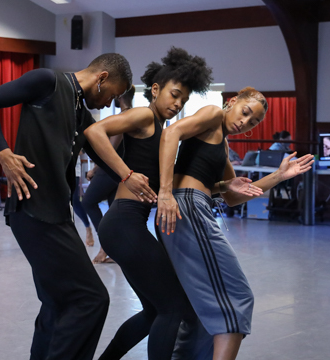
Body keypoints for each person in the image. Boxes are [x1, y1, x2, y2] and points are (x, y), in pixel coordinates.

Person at [0, 54, 132, 360]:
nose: (108, 102)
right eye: (112, 94)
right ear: (101, 78)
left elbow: (105, 161)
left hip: (55, 213)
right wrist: (4, 153)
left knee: (57, 302)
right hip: (35, 211)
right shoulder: (47, 81)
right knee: (91, 299)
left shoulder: (80, 111)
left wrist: (143, 177)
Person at [157, 87, 315, 360]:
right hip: (189, 208)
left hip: (195, 206)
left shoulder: (223, 143)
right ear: (232, 103)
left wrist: (278, 176)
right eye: (245, 112)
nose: (245, 123)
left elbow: (233, 197)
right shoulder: (213, 113)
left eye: (253, 122)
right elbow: (171, 133)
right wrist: (165, 191)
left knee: (199, 303)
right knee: (238, 297)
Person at [85, 47, 217, 360]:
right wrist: (125, 174)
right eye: (174, 94)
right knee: (173, 308)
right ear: (155, 90)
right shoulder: (145, 116)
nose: (178, 103)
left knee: (153, 312)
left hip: (126, 224)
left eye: (184, 100)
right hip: (123, 223)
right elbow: (94, 131)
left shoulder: (163, 130)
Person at [84, 86, 134, 263]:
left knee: (88, 202)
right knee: (114, 210)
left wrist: (93, 170)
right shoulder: (133, 115)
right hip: (122, 171)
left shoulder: (123, 117)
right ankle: (116, 250)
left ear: (119, 97)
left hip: (112, 169)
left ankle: (106, 245)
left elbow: (109, 150)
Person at [74, 150, 95, 246]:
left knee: (74, 201)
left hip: (72, 169)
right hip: (54, 168)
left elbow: (82, 151)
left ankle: (87, 227)